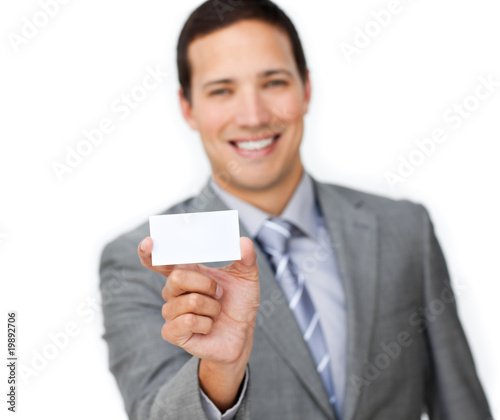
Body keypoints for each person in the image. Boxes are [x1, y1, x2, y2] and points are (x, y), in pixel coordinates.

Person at [99, 1, 493, 419]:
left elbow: (462, 406)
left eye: (273, 82)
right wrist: (220, 370)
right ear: (188, 107)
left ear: (306, 89)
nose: (253, 116)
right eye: (221, 90)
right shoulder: (143, 259)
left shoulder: (403, 229)